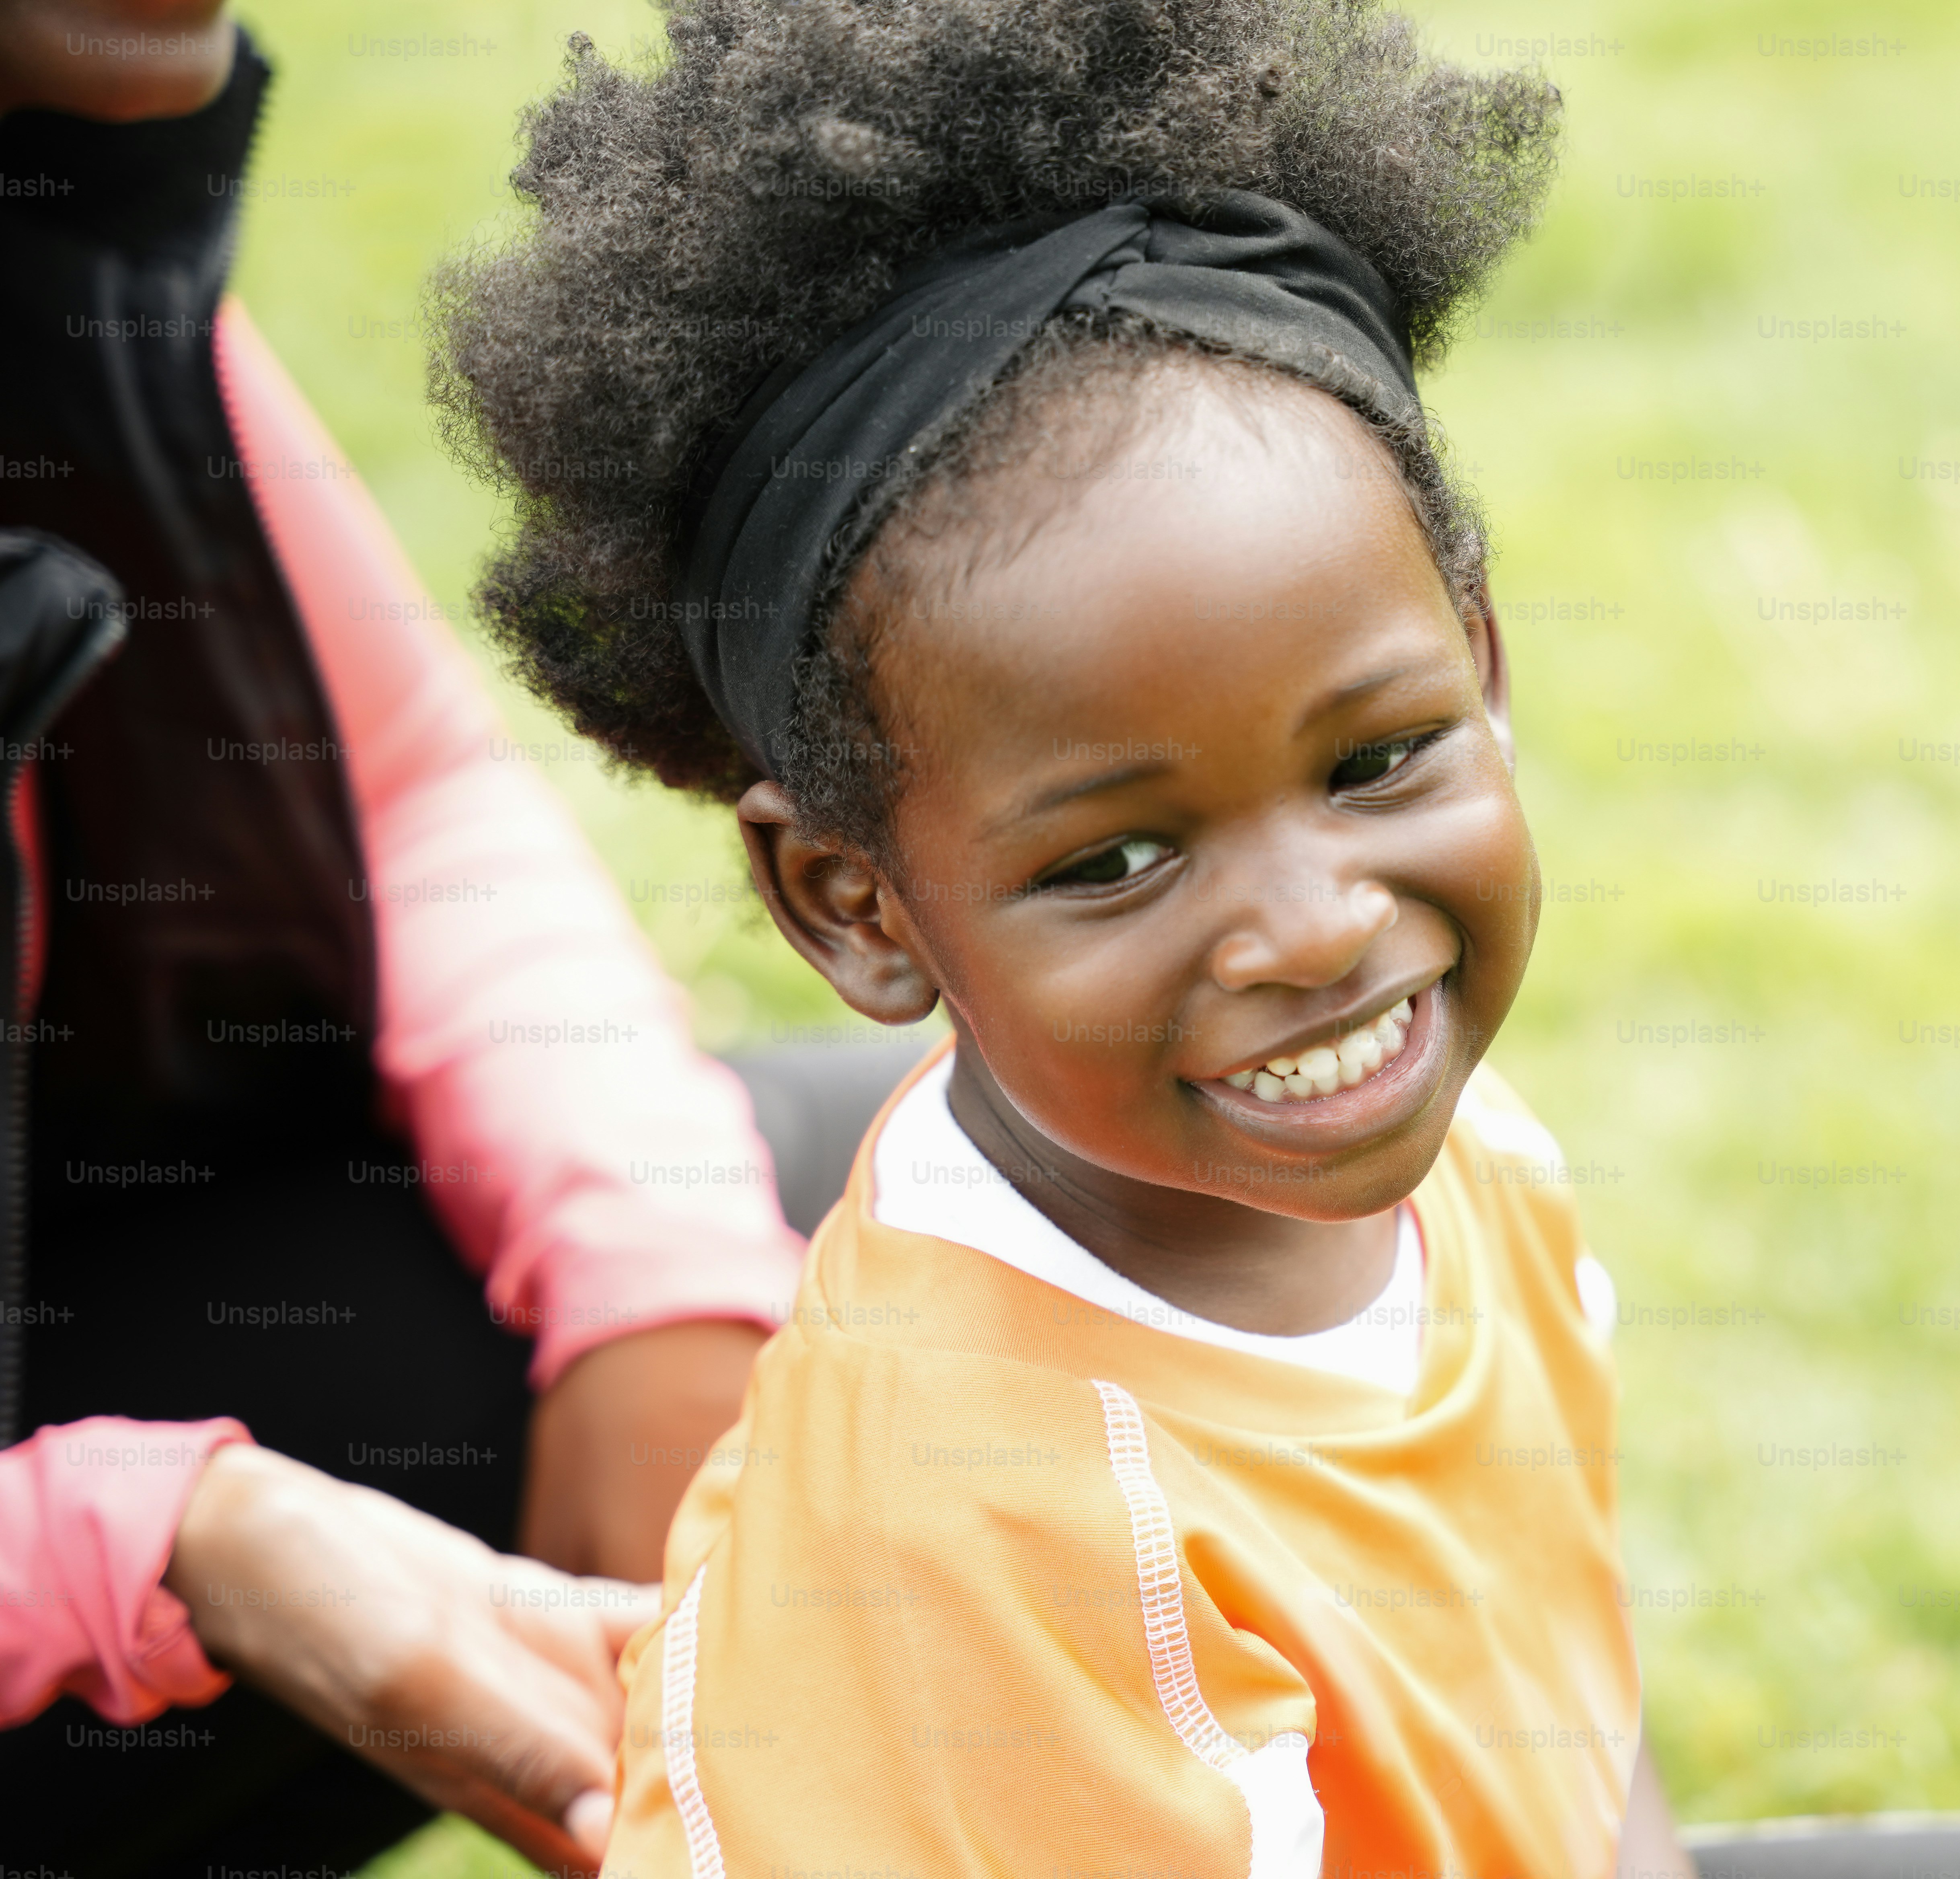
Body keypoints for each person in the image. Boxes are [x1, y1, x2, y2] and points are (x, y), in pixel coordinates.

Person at [431, 1, 1699, 1875]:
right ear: (855, 908)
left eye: (1378, 757)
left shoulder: (1474, 1162)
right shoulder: (993, 1526)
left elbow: (1567, 1704)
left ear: (1483, 663)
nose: (1315, 928)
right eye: (1116, 861)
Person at [0, 7, 822, 1870]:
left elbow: (404, 794)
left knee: (947, 1236)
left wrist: (654, 1269)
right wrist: (136, 1546)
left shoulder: (65, 237)